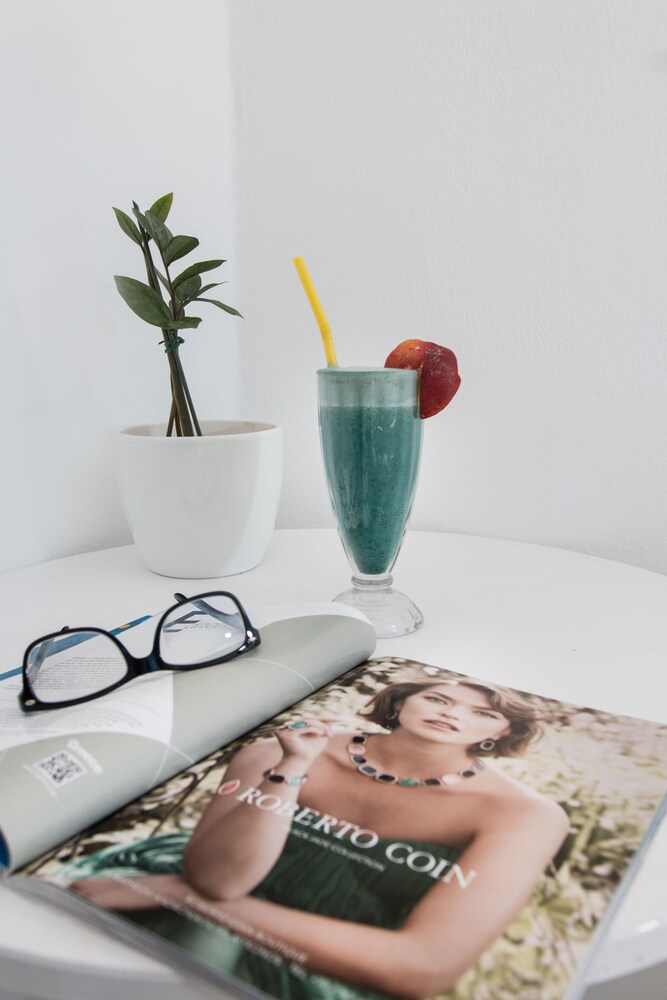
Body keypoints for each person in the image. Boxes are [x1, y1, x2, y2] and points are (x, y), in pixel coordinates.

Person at [71, 676, 569, 999]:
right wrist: (293, 766)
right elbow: (217, 881)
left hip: (324, 963)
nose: (453, 714)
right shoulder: (283, 748)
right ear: (400, 703)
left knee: (205, 940)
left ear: (500, 734)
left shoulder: (523, 814)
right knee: (197, 940)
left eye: (484, 713)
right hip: (181, 889)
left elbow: (421, 967)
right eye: (438, 699)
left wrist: (186, 898)